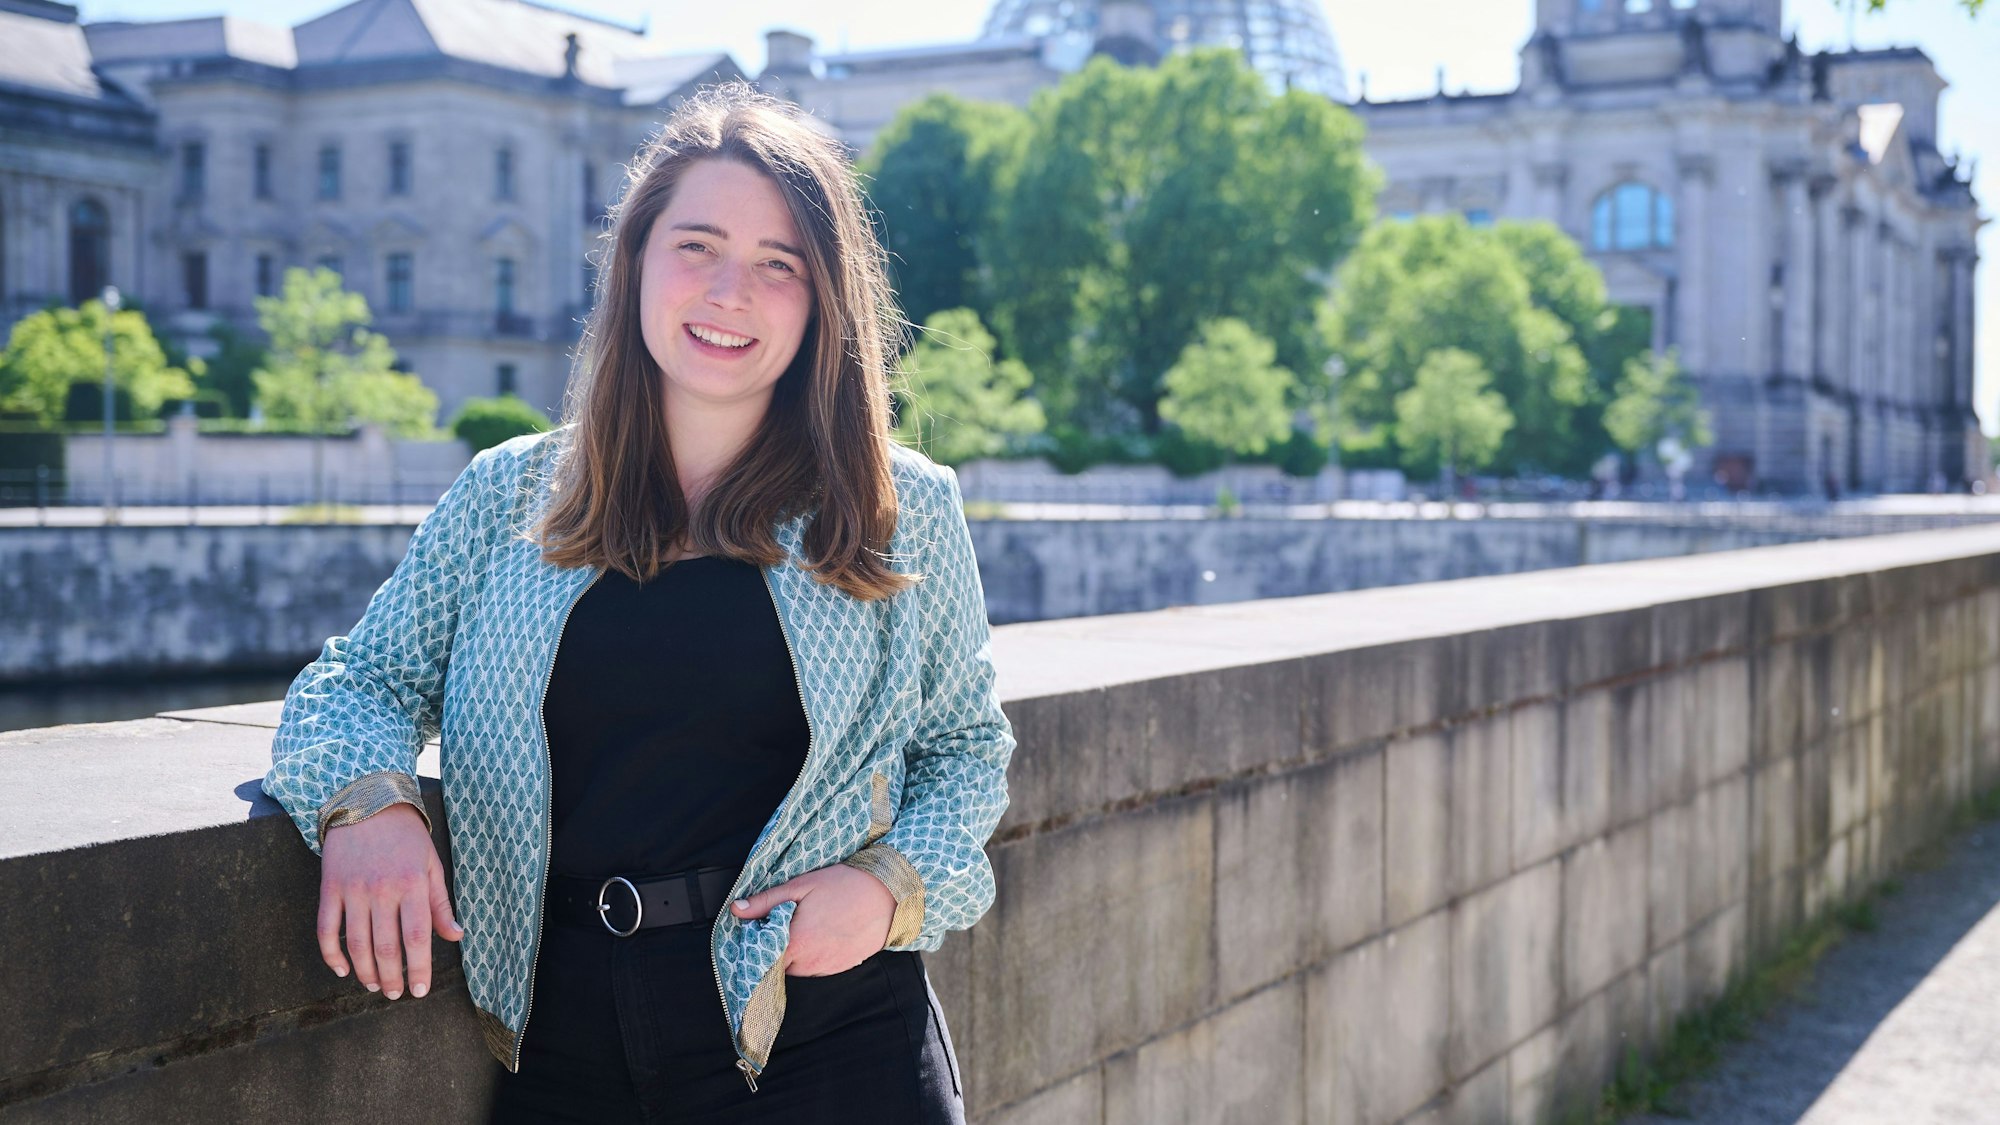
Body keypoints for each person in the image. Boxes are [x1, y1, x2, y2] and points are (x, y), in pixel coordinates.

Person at [261, 83, 1016, 1124]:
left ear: (822, 298)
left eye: (776, 265)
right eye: (695, 246)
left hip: (826, 1035)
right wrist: (369, 805)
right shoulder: (508, 495)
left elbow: (966, 752)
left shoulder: (898, 506)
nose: (728, 293)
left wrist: (886, 887)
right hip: (565, 1042)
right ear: (637, 263)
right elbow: (361, 682)